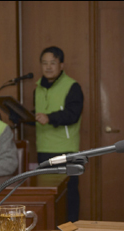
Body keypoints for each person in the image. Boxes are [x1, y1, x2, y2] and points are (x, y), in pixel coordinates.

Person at [34, 46, 84, 222]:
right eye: (44, 63)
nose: (48, 67)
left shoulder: (72, 86)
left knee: (68, 193)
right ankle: (50, 229)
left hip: (66, 150)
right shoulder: (38, 88)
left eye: (52, 63)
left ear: (61, 65)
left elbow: (73, 114)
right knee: (47, 194)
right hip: (43, 148)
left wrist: (50, 117)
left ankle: (70, 228)